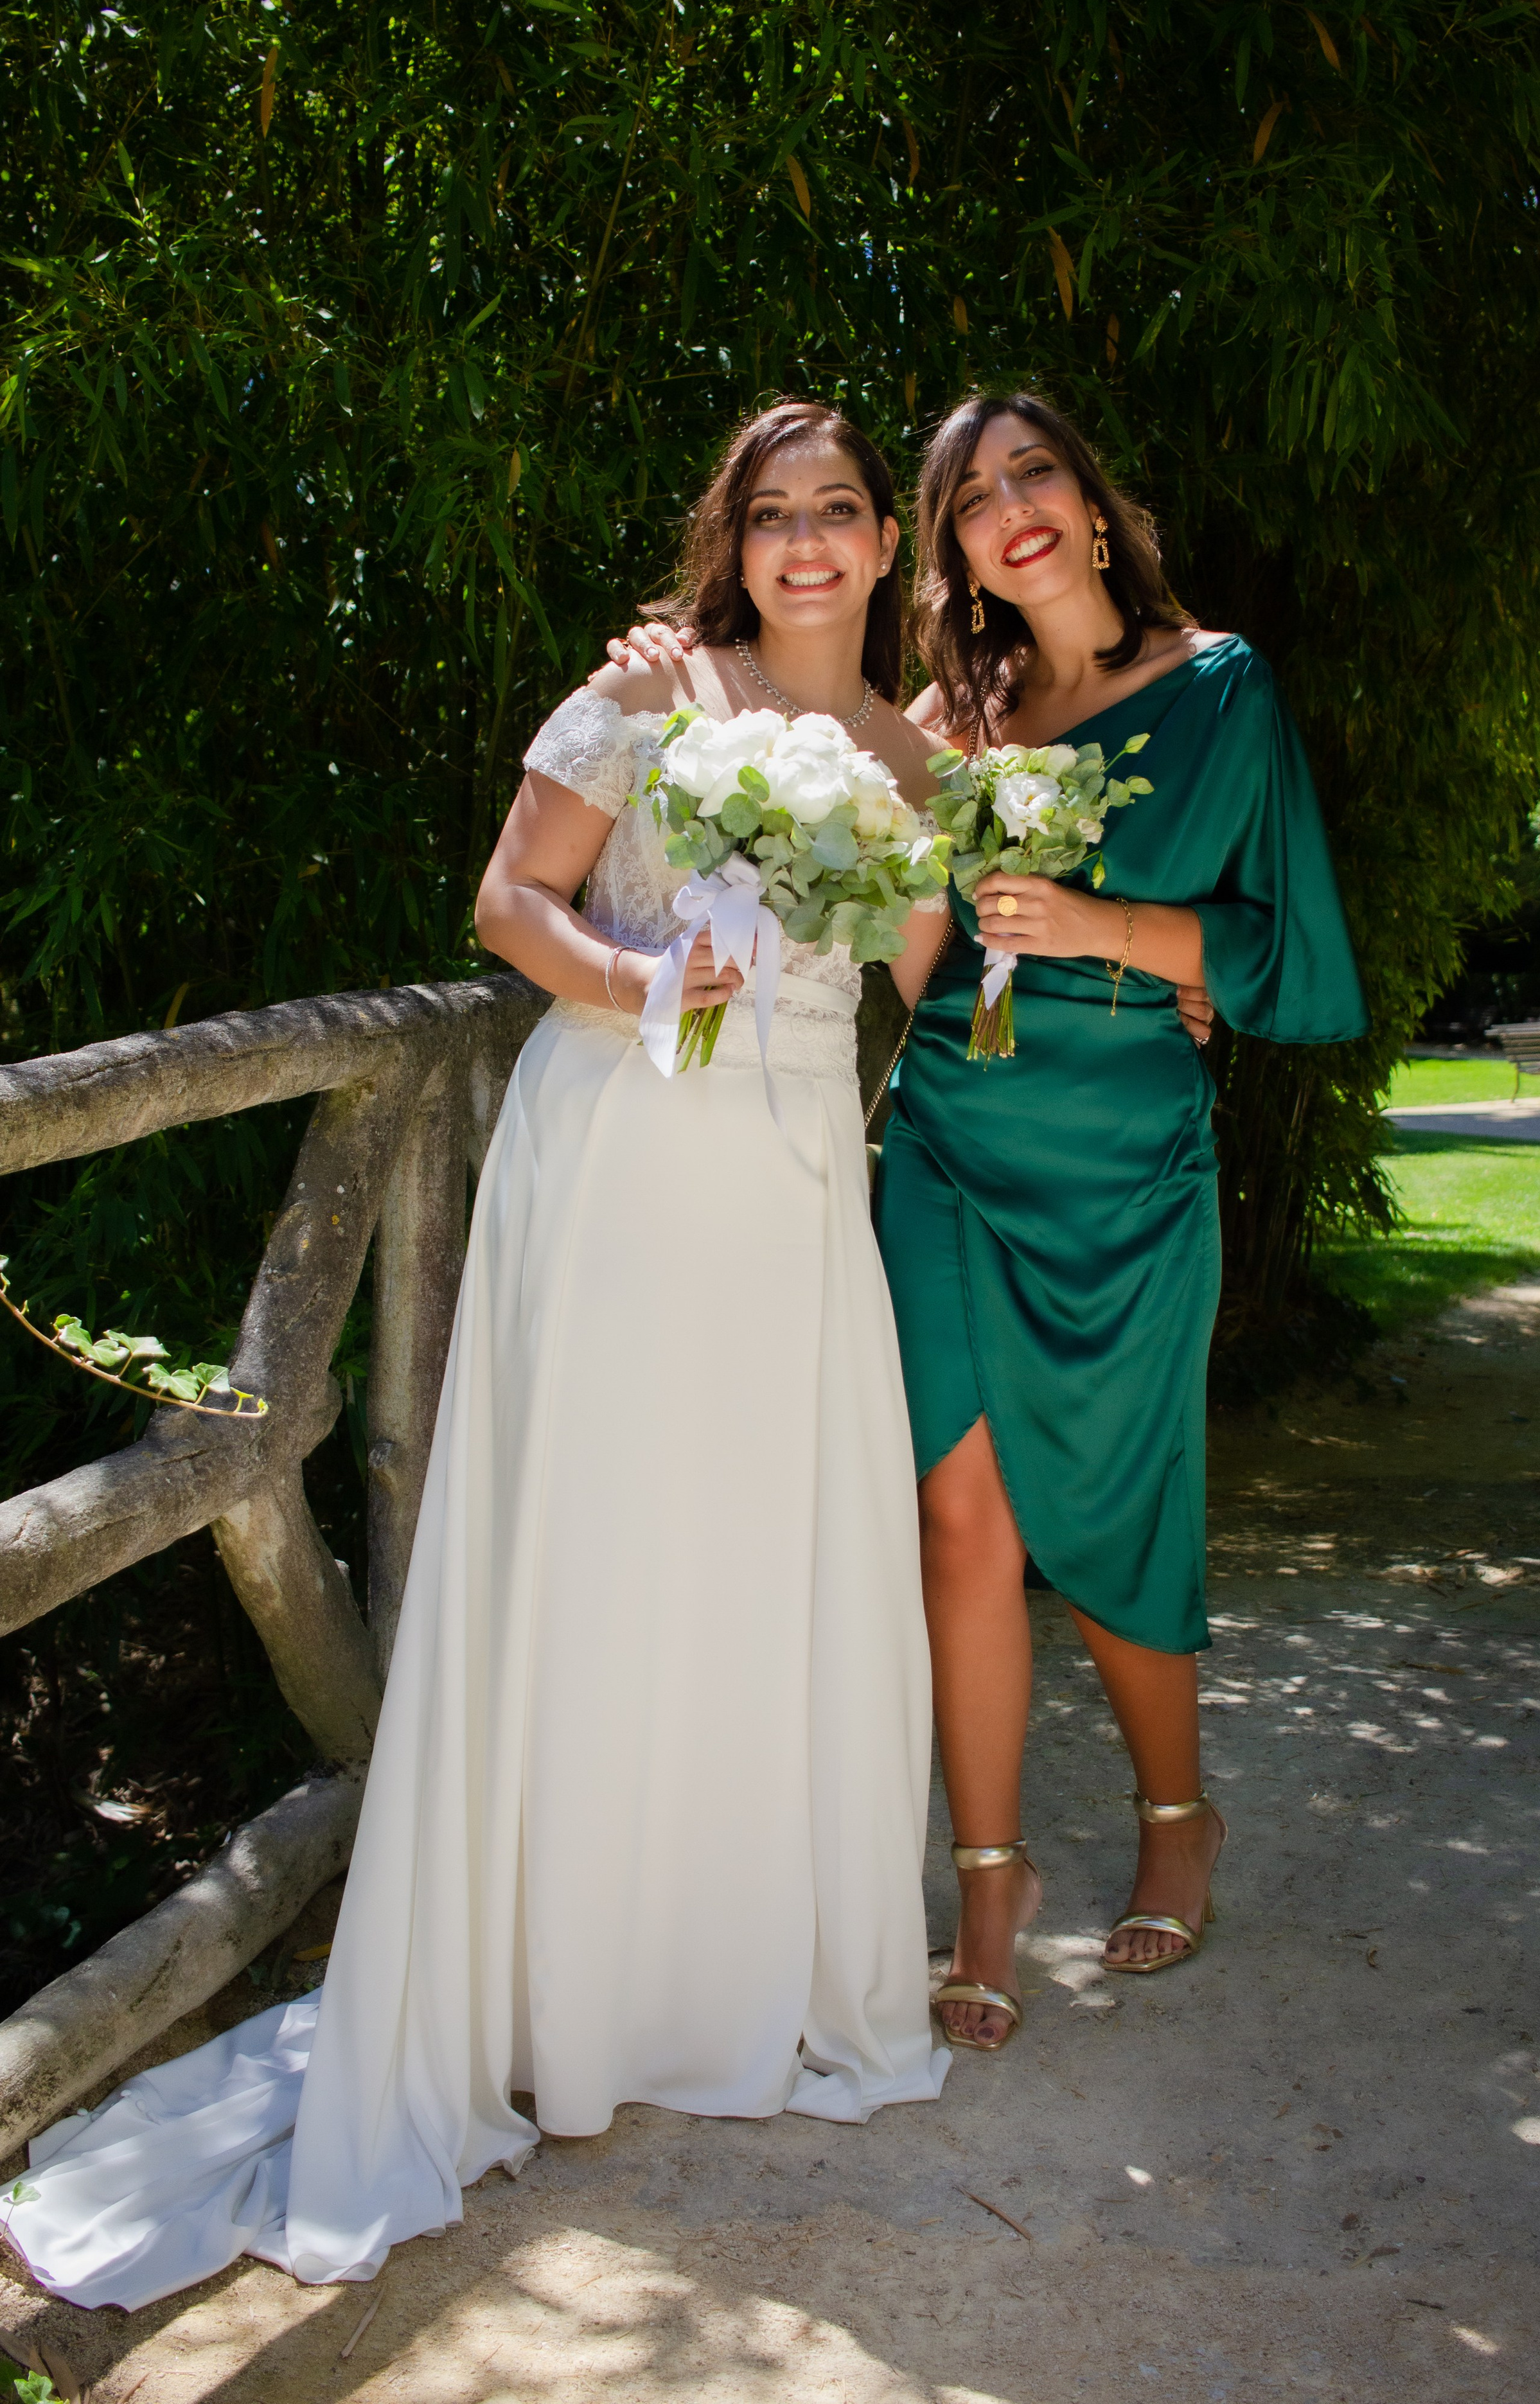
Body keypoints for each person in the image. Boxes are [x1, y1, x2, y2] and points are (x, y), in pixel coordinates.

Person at [9, 402, 951, 2315]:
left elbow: (934, 974)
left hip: (791, 1196)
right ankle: (558, 1989)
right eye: (771, 516)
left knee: (759, 1568)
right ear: (735, 540)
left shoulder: (911, 750)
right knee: (599, 1563)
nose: (805, 547)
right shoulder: (639, 685)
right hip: (616, 1155)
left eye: (838, 512)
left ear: (880, 540)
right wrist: (626, 982)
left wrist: (1003, 905)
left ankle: (725, 1973)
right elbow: (506, 904)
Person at [871, 393, 1368, 2047]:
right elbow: (904, 944)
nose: (1006, 508)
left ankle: (1177, 1817)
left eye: (1034, 473)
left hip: (1127, 1163)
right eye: (967, 498)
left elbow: (1287, 959)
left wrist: (1106, 923)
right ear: (949, 554)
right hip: (943, 1137)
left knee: (1118, 1508)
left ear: (1093, 505)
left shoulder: (1221, 688)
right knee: (963, 1523)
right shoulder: (952, 724)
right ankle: (990, 1879)